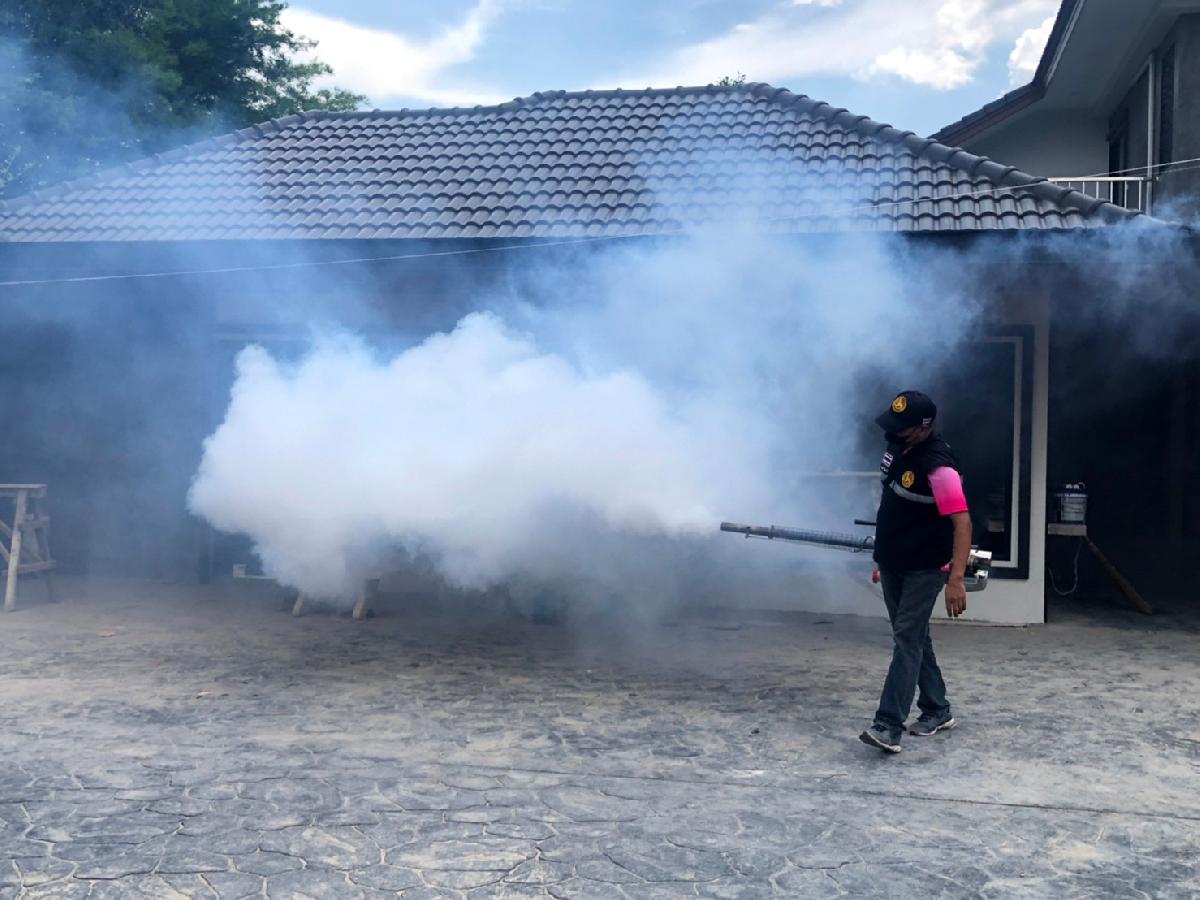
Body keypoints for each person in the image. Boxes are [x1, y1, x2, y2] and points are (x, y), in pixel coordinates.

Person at [859, 390, 971, 754]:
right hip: (893, 560)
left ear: (923, 428)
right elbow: (891, 505)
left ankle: (888, 724)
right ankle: (937, 709)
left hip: (925, 566)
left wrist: (955, 579)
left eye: (902, 427)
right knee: (914, 636)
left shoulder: (939, 466)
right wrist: (881, 558)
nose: (893, 432)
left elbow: (962, 522)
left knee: (906, 639)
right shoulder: (896, 450)